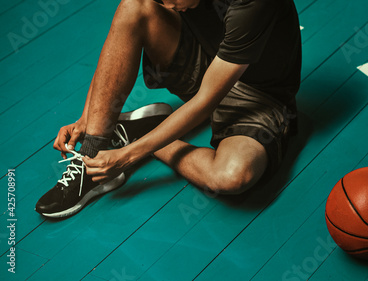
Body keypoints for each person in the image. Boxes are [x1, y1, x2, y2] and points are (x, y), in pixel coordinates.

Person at [35, 0, 302, 218]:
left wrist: (128, 156)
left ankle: (143, 134)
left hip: (259, 96)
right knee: (133, 7)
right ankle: (93, 154)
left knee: (232, 177)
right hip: (206, 60)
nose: (168, 6)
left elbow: (207, 99)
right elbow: (121, 33)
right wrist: (88, 117)